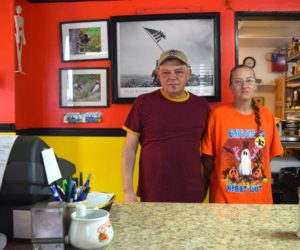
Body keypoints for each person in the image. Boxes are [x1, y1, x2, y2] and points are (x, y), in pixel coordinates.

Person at [121, 49, 210, 202]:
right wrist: (128, 190)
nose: (172, 77)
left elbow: (208, 154)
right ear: (158, 75)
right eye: (166, 72)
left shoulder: (202, 106)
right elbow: (129, 148)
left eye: (179, 72)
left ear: (189, 73)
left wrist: (206, 187)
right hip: (153, 190)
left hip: (192, 191)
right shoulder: (143, 103)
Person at [201, 65, 283, 204]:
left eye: (249, 80)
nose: (244, 85)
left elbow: (266, 158)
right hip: (224, 201)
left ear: (256, 85)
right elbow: (208, 158)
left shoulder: (267, 116)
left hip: (259, 201)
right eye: (238, 81)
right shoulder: (218, 115)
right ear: (231, 87)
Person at [14, 5, 26, 74]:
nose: (19, 10)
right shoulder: (15, 17)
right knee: (18, 51)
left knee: (20, 52)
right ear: (16, 10)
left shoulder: (22, 18)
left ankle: (20, 68)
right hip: (17, 34)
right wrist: (18, 36)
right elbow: (17, 28)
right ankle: (19, 68)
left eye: (20, 9)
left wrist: (24, 38)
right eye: (18, 9)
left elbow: (23, 28)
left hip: (21, 34)